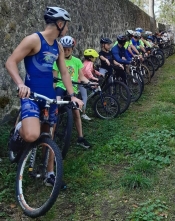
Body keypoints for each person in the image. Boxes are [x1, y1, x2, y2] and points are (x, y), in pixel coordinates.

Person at [5, 6, 83, 189]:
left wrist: (72, 96)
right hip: (31, 95)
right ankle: (19, 130)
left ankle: (49, 173)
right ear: (59, 23)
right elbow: (10, 62)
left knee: (49, 134)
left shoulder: (57, 46)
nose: (67, 29)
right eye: (67, 25)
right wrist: (20, 84)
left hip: (49, 97)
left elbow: (64, 72)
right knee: (32, 134)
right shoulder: (33, 40)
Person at [53, 36, 92, 149]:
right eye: (64, 49)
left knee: (76, 113)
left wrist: (89, 82)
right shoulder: (57, 60)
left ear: (72, 49)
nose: (66, 51)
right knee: (55, 110)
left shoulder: (77, 61)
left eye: (68, 49)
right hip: (60, 87)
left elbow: (81, 76)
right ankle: (50, 136)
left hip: (72, 90)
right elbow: (54, 79)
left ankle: (80, 138)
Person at [80, 48, 103, 121]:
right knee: (85, 97)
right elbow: (87, 71)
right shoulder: (90, 63)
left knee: (92, 87)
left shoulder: (86, 62)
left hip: (83, 81)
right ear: (90, 57)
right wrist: (94, 78)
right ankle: (83, 114)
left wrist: (99, 74)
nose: (95, 58)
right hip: (81, 81)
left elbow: (93, 70)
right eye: (94, 57)